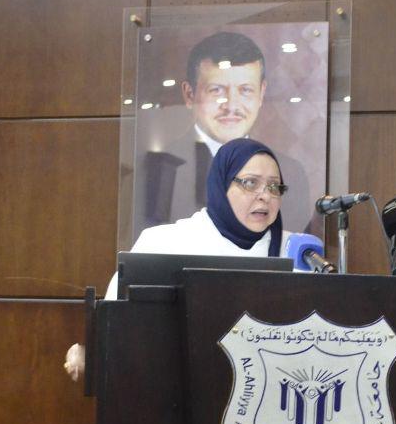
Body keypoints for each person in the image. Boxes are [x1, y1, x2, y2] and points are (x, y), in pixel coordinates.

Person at [65, 138, 298, 382]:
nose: (265, 196)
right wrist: (93, 353)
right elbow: (116, 329)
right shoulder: (165, 242)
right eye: (251, 183)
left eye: (274, 186)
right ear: (221, 184)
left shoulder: (297, 252)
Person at [139, 31, 310, 232]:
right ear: (189, 94)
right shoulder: (156, 169)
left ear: (261, 93)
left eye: (245, 90)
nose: (231, 106)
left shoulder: (290, 172)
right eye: (216, 90)